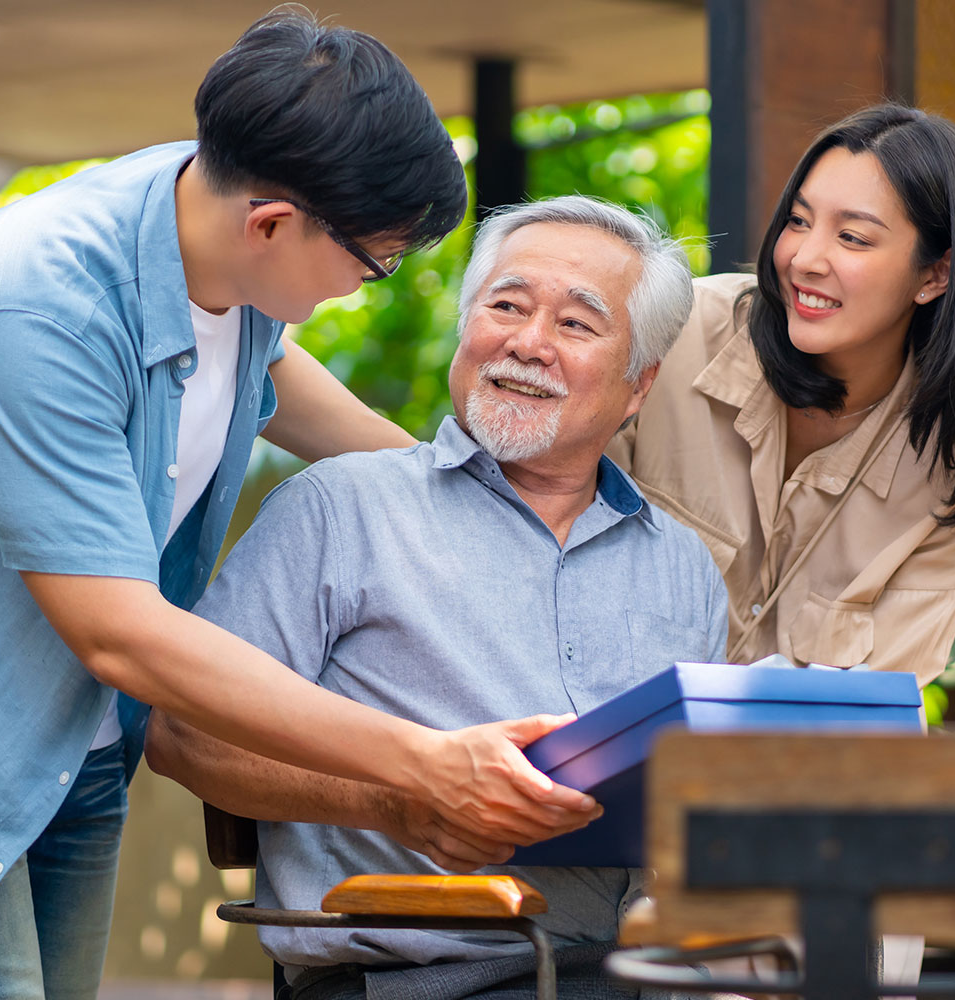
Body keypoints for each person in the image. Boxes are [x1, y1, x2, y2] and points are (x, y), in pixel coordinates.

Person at [0, 12, 596, 1000]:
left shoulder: (204, 208)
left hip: (73, 727)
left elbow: (267, 369)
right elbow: (119, 634)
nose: (364, 286)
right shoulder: (39, 309)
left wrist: (458, 495)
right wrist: (424, 762)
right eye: (371, 262)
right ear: (271, 225)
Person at [144, 196, 722, 1000]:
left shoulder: (683, 566)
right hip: (417, 977)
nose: (529, 343)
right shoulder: (341, 508)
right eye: (506, 306)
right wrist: (398, 802)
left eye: (576, 324)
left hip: (635, 974)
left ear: (638, 386)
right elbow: (182, 734)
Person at [607, 103, 955, 687]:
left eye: (853, 237)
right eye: (798, 220)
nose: (805, 259)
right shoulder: (673, 333)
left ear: (935, 275)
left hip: (797, 748)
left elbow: (869, 704)